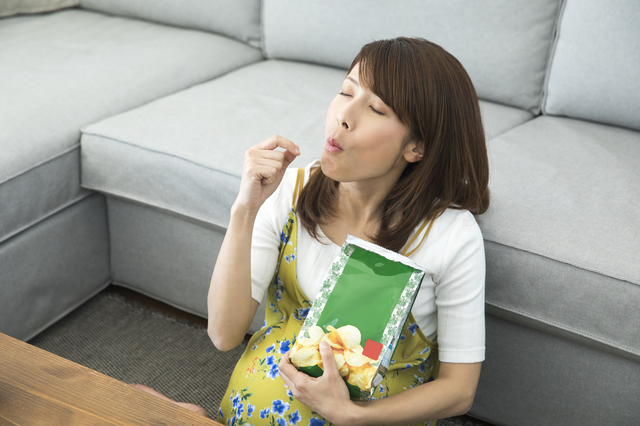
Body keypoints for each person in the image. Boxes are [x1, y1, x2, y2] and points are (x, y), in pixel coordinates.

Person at [137, 36, 489, 426]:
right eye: (345, 91)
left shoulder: (451, 235)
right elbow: (223, 333)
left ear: (417, 147)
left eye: (375, 108)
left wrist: (351, 415)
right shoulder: (291, 188)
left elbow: (459, 390)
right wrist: (244, 210)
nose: (343, 115)